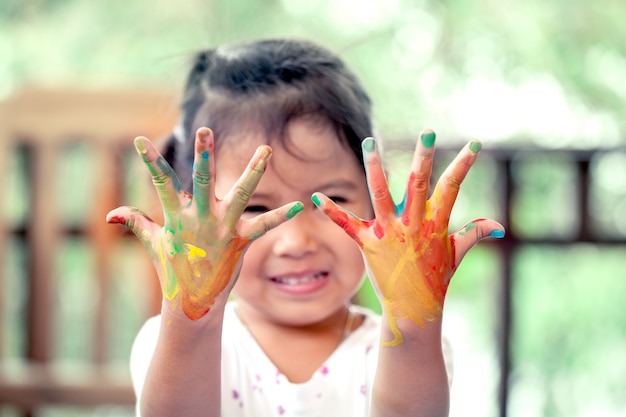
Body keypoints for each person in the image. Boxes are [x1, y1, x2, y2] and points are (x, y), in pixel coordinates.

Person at [106, 38, 504, 417]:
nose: (296, 242)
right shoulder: (172, 340)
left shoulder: (406, 346)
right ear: (195, 218)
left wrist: (412, 325)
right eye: (256, 206)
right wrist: (189, 317)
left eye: (330, 201)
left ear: (375, 200)